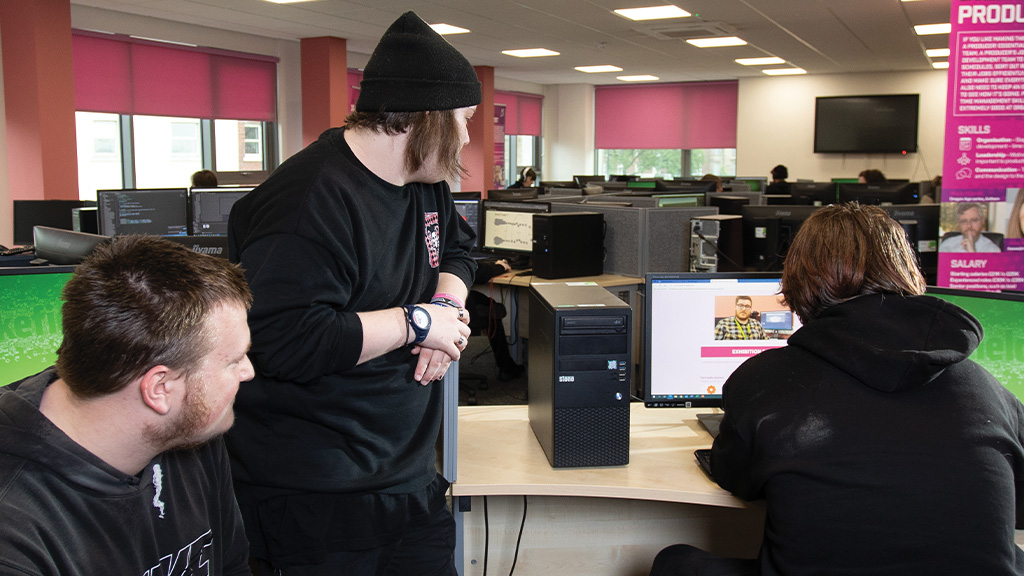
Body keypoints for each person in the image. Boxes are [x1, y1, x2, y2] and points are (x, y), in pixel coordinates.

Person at [226, 11, 479, 575]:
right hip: (316, 494)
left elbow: (460, 251)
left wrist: (446, 303)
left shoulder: (424, 184)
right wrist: (417, 324)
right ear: (428, 120)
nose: (468, 136)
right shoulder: (308, 203)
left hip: (407, 474)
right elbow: (285, 341)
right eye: (464, 120)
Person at [651, 203, 1024, 576]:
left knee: (674, 563)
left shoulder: (764, 380)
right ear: (906, 271)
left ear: (798, 280)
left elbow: (738, 479)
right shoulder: (990, 390)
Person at [0, 235, 253, 575]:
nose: (248, 371)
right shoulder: (16, 533)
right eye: (233, 360)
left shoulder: (193, 427)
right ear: (159, 389)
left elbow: (231, 565)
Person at [466, 258, 525, 381]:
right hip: (457, 309)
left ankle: (507, 366)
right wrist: (500, 267)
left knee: (487, 304)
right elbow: (477, 272)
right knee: (494, 312)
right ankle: (507, 368)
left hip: (433, 304)